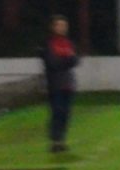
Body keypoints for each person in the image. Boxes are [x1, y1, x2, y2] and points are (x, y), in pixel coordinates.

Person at [41, 15, 78, 153]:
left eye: (64, 25)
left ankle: (62, 140)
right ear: (53, 27)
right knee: (57, 112)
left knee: (66, 114)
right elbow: (53, 63)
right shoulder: (49, 44)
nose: (62, 28)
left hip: (68, 84)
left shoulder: (68, 43)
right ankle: (55, 141)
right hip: (55, 84)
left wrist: (67, 60)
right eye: (59, 25)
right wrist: (67, 60)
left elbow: (75, 60)